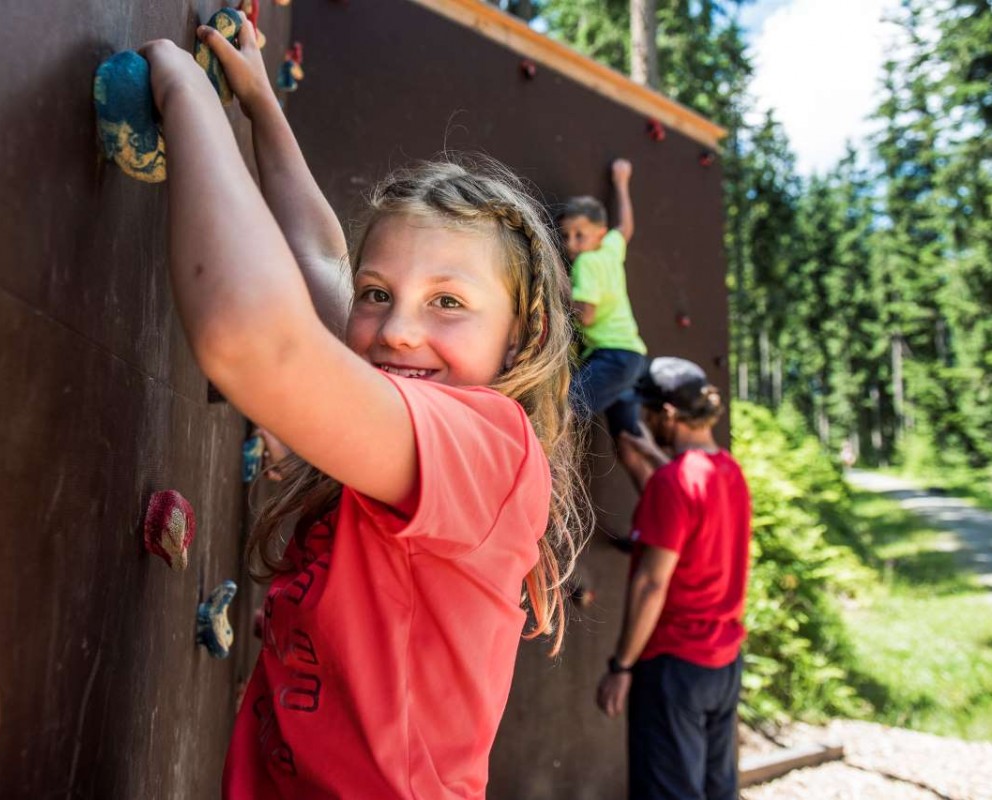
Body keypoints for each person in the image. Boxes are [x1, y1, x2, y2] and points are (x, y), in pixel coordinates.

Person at [139, 17, 588, 799]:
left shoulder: (491, 443)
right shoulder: (411, 399)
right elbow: (319, 258)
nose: (398, 330)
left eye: (449, 301)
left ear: (525, 334)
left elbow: (253, 343)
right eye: (380, 295)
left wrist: (185, 97)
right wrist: (256, 105)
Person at [595, 357, 752, 800]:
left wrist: (621, 665)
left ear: (666, 415)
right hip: (722, 664)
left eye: (647, 412)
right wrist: (647, 460)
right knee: (715, 788)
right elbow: (687, 518)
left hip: (673, 666)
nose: (642, 419)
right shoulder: (728, 471)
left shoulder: (672, 483)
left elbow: (651, 584)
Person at [560, 159, 649, 437]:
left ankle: (543, 476)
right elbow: (626, 228)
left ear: (599, 233)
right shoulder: (609, 248)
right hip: (632, 357)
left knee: (561, 411)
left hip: (611, 357)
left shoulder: (586, 263)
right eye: (566, 236)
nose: (571, 244)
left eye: (579, 236)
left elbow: (586, 317)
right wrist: (622, 183)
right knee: (628, 440)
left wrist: (558, 296)